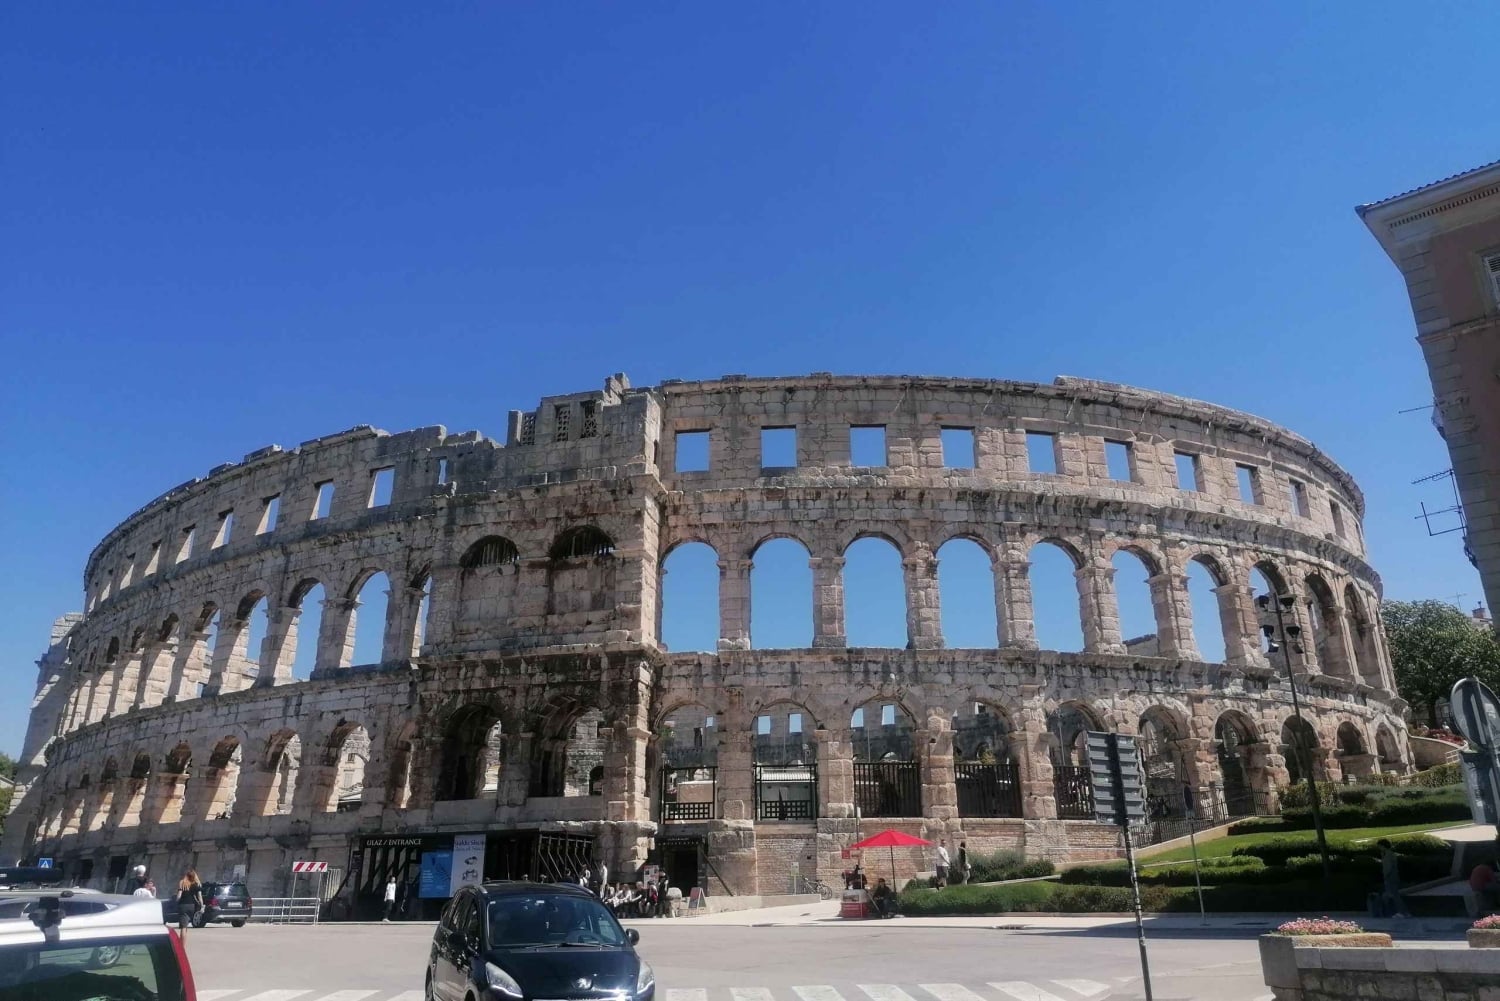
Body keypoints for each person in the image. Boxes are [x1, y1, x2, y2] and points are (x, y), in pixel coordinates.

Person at [1377, 840, 1408, 918]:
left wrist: (1385, 876)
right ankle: (1400, 912)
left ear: (1383, 846)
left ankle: (1402, 912)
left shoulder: (1388, 855)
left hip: (1390, 877)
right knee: (1390, 895)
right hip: (1392, 877)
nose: (1379, 848)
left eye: (1380, 846)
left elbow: (1388, 867)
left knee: (1395, 895)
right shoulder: (1388, 854)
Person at [176, 869, 204, 940]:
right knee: (186, 926)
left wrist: (177, 901)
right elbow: (200, 897)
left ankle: (182, 946)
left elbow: (179, 896)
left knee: (183, 927)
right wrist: (202, 906)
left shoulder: (182, 883)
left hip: (183, 905)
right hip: (192, 906)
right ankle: (183, 943)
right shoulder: (196, 884)